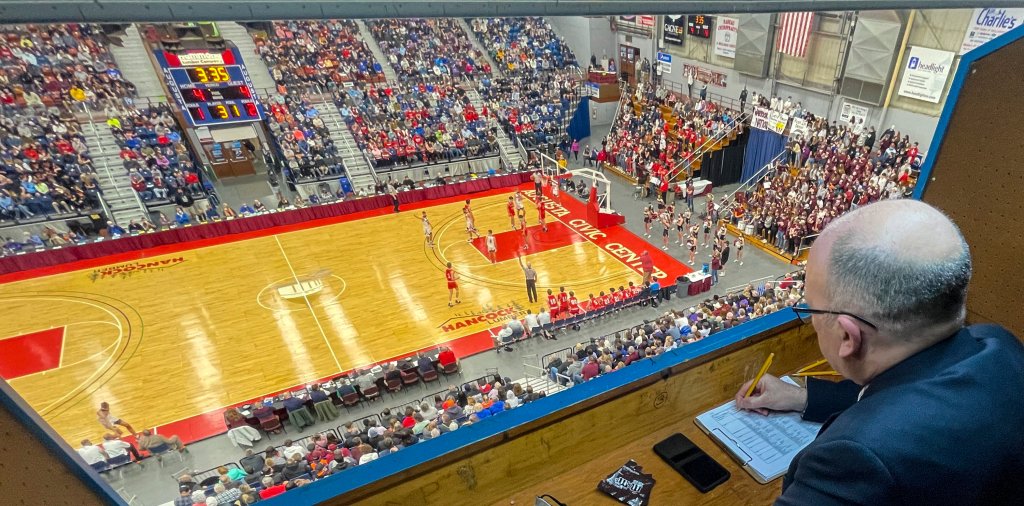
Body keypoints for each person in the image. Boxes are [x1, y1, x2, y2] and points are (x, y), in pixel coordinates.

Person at [734, 199, 1024, 505]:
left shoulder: (852, 459)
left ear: (848, 336)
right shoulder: (999, 345)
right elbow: (909, 398)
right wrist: (802, 398)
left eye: (811, 310)